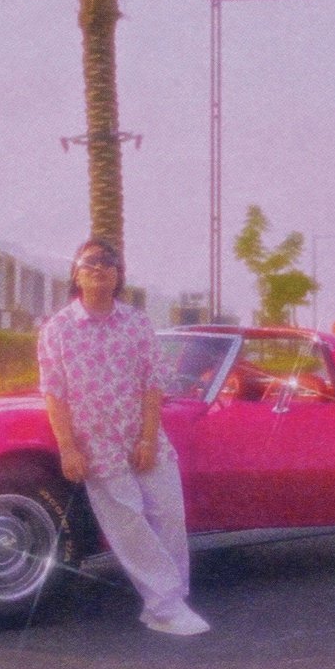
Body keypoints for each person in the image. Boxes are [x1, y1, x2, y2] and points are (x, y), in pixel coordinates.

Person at [37, 237, 209, 637]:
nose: (100, 267)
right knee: (128, 523)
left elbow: (153, 382)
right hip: (97, 444)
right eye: (90, 262)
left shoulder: (136, 322)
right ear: (76, 274)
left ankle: (171, 601)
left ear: (119, 275)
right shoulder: (57, 329)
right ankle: (166, 607)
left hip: (143, 437)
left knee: (169, 515)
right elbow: (54, 393)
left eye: (109, 261)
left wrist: (147, 439)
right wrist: (68, 447)